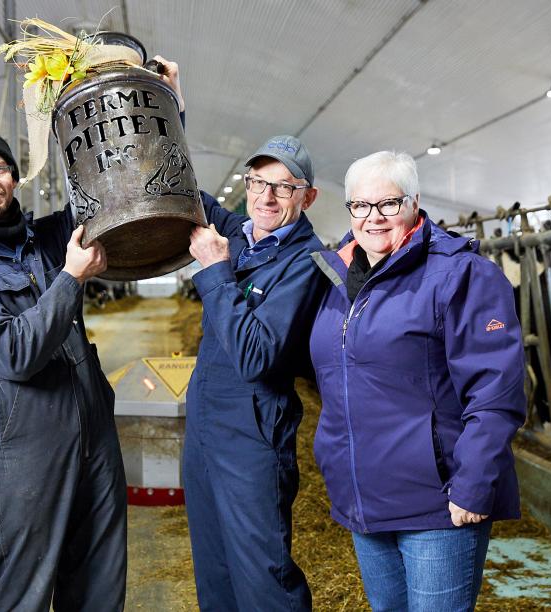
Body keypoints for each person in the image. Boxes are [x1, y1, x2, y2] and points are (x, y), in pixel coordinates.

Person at [308, 151, 525, 612]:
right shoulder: (336, 278)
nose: (373, 217)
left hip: (437, 505)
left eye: (389, 202)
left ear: (415, 202)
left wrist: (473, 483)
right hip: (363, 500)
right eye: (360, 206)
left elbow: (495, 390)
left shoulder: (460, 274)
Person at [0, 124, 123, 610]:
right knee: (22, 594)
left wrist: (160, 104)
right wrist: (71, 278)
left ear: (14, 177)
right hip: (24, 450)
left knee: (100, 585)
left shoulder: (46, 239)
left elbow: (116, 185)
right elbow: (15, 353)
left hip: (94, 436)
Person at [184, 134, 325, 610]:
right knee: (214, 567)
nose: (266, 197)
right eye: (258, 182)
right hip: (204, 426)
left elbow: (256, 355)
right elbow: (177, 186)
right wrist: (169, 107)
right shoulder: (238, 232)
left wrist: (216, 271)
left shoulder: (306, 264)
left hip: (253, 433)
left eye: (283, 188)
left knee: (262, 576)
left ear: (308, 197)